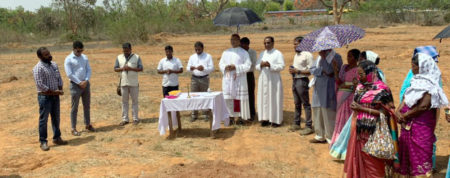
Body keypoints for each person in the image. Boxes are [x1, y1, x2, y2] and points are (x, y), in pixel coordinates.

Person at [395, 53, 448, 177]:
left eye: (413, 66)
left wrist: (405, 115)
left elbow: (424, 106)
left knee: (421, 156)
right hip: (407, 127)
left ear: (421, 67)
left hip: (421, 129)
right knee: (406, 156)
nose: (412, 69)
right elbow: (405, 98)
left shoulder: (431, 86)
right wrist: (398, 112)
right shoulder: (414, 82)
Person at [344, 60, 396, 177]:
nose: (359, 77)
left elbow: (388, 113)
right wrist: (355, 106)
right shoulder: (360, 87)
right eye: (358, 74)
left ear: (370, 73)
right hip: (360, 133)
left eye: (361, 74)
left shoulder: (383, 90)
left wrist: (362, 109)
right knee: (361, 165)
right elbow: (356, 103)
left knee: (375, 168)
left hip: (375, 135)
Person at [33, 47, 68, 151]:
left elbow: (59, 78)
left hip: (55, 96)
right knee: (44, 120)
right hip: (45, 97)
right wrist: (54, 92)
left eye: (49, 53)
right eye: (46, 54)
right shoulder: (38, 68)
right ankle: (43, 141)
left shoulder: (54, 65)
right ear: (40, 57)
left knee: (56, 117)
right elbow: (40, 85)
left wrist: (60, 88)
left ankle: (57, 138)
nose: (49, 55)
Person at [308, 49, 342, 143]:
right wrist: (321, 71)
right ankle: (319, 135)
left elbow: (331, 71)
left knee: (328, 112)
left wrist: (323, 62)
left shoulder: (336, 57)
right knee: (317, 110)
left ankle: (330, 137)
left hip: (329, 87)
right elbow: (312, 69)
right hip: (318, 87)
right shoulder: (319, 57)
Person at [219, 34, 252, 124]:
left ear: (239, 41)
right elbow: (221, 64)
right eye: (231, 39)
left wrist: (236, 67)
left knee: (237, 99)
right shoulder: (226, 52)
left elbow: (248, 65)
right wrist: (226, 67)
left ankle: (238, 117)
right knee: (229, 98)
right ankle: (230, 116)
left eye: (235, 40)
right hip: (228, 78)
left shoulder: (244, 53)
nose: (233, 41)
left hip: (239, 79)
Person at [64, 41, 95, 136]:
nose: (80, 52)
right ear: (73, 49)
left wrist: (86, 80)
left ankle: (87, 124)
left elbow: (88, 69)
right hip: (75, 85)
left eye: (81, 50)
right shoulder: (68, 59)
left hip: (85, 84)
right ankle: (73, 128)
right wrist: (79, 82)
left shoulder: (84, 57)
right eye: (78, 51)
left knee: (87, 105)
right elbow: (69, 74)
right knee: (74, 107)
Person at [330, 49, 359, 146]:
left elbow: (356, 86)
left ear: (356, 58)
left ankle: (347, 143)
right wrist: (335, 69)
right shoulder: (344, 67)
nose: (348, 58)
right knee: (339, 118)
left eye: (350, 56)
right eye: (347, 56)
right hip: (341, 96)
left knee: (347, 119)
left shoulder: (358, 70)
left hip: (350, 97)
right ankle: (338, 140)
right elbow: (339, 81)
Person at [255, 36, 285, 127]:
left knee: (274, 98)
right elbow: (256, 66)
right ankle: (265, 118)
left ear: (273, 43)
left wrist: (270, 65)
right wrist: (261, 65)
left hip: (273, 79)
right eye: (265, 43)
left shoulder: (278, 53)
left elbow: (282, 66)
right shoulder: (262, 54)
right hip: (263, 78)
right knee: (264, 98)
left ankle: (275, 120)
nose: (266, 45)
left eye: (268, 43)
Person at [288, 36, 313, 134]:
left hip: (302, 81)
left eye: (296, 44)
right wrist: (293, 71)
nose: (294, 46)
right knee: (297, 103)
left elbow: (311, 71)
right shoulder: (296, 55)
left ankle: (308, 125)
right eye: (294, 44)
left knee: (305, 103)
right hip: (295, 79)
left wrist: (297, 71)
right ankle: (297, 123)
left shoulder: (307, 55)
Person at [114, 43, 143, 126]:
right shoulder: (119, 57)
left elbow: (141, 68)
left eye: (127, 50)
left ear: (131, 49)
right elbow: (115, 68)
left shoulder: (137, 57)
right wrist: (122, 68)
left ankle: (135, 119)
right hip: (123, 83)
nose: (125, 51)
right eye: (124, 50)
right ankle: (125, 119)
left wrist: (131, 68)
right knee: (124, 102)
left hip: (134, 83)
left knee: (135, 101)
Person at [187, 41, 214, 122]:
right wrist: (190, 68)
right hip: (194, 78)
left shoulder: (208, 56)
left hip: (204, 78)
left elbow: (212, 68)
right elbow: (187, 68)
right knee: (193, 96)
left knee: (205, 96)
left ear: (203, 48)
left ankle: (206, 114)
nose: (197, 51)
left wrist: (204, 69)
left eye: (199, 49)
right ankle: (194, 114)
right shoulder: (192, 57)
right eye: (196, 50)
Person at [240, 37, 258, 121]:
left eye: (244, 45)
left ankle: (251, 113)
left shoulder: (252, 52)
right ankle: (240, 113)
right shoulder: (238, 52)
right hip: (240, 76)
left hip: (248, 75)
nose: (243, 47)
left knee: (250, 94)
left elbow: (252, 65)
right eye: (241, 45)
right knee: (239, 95)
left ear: (248, 45)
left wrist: (242, 66)